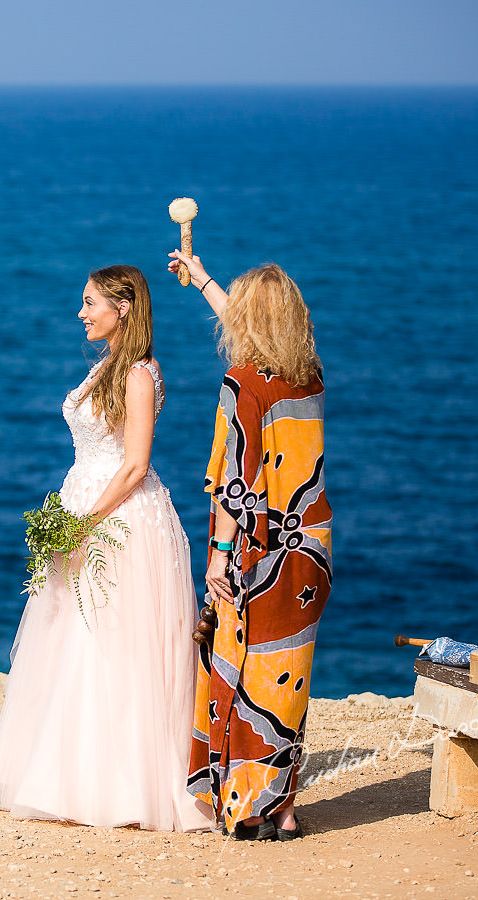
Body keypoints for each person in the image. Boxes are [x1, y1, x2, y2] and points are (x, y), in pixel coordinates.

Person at [0, 265, 215, 831]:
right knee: (71, 636)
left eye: (90, 303)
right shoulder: (107, 366)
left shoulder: (136, 372)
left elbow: (135, 464)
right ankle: (66, 772)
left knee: (114, 643)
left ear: (123, 306)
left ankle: (122, 786)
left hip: (121, 519)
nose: (81, 313)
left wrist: (85, 522)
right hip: (86, 502)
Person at [168, 249, 333, 841]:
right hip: (311, 552)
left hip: (257, 552)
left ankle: (245, 809)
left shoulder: (241, 385)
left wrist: (217, 554)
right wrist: (202, 277)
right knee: (284, 683)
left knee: (237, 679)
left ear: (246, 322)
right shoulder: (306, 378)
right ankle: (283, 809)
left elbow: (233, 479)